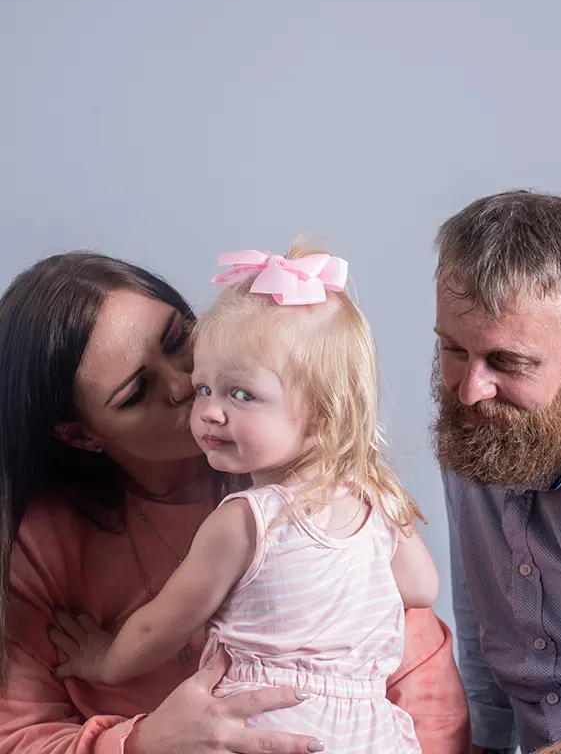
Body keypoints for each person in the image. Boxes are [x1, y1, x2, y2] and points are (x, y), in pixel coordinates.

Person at [0, 251, 469, 753]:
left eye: (180, 341)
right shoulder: (44, 547)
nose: (185, 386)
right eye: (137, 392)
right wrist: (140, 744)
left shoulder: (289, 494)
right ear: (80, 435)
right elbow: (19, 738)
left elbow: (425, 687)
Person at [432, 190, 561, 754]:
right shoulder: (481, 427)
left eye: (508, 362)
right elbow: (484, 644)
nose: (471, 390)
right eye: (453, 350)